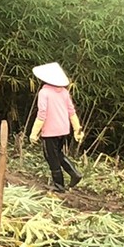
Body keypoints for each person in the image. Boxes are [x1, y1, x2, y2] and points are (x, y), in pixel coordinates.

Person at [29, 61, 83, 190]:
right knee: (58, 153)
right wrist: (77, 129)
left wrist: (33, 133)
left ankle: (59, 185)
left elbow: (42, 115)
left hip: (50, 131)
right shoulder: (64, 92)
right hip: (63, 129)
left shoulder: (44, 92)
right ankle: (74, 174)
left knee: (50, 156)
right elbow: (72, 112)